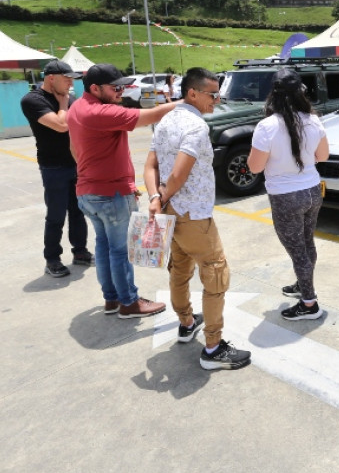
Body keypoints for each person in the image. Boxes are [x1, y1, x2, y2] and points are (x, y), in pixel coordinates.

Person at [144, 68, 251, 370]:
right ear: (193, 93)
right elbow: (179, 174)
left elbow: (150, 166)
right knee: (215, 272)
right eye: (212, 94)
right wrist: (163, 197)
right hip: (192, 213)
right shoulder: (196, 126)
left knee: (179, 269)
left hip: (170, 211)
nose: (217, 100)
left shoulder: (165, 121)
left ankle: (186, 322)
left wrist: (155, 199)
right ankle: (214, 347)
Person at [69, 63, 176, 319]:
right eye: (115, 87)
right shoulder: (100, 112)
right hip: (110, 194)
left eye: (123, 86)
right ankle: (128, 302)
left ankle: (112, 299)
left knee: (105, 247)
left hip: (89, 191)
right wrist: (189, 103)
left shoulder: (76, 108)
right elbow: (150, 115)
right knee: (120, 250)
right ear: (95, 88)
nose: (121, 91)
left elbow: (74, 150)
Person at [248, 68, 329, 321]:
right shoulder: (314, 119)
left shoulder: (267, 126)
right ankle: (303, 284)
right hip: (312, 191)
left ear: (273, 94)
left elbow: (254, 167)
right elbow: (323, 156)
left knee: (297, 250)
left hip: (286, 196)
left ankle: (309, 303)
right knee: (306, 243)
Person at [20, 60, 94, 278]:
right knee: (56, 215)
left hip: (76, 164)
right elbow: (61, 125)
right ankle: (52, 259)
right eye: (67, 78)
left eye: (72, 79)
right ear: (51, 78)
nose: (71, 83)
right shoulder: (33, 100)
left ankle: (80, 252)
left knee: (79, 211)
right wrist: (63, 106)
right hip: (53, 167)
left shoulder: (70, 98)